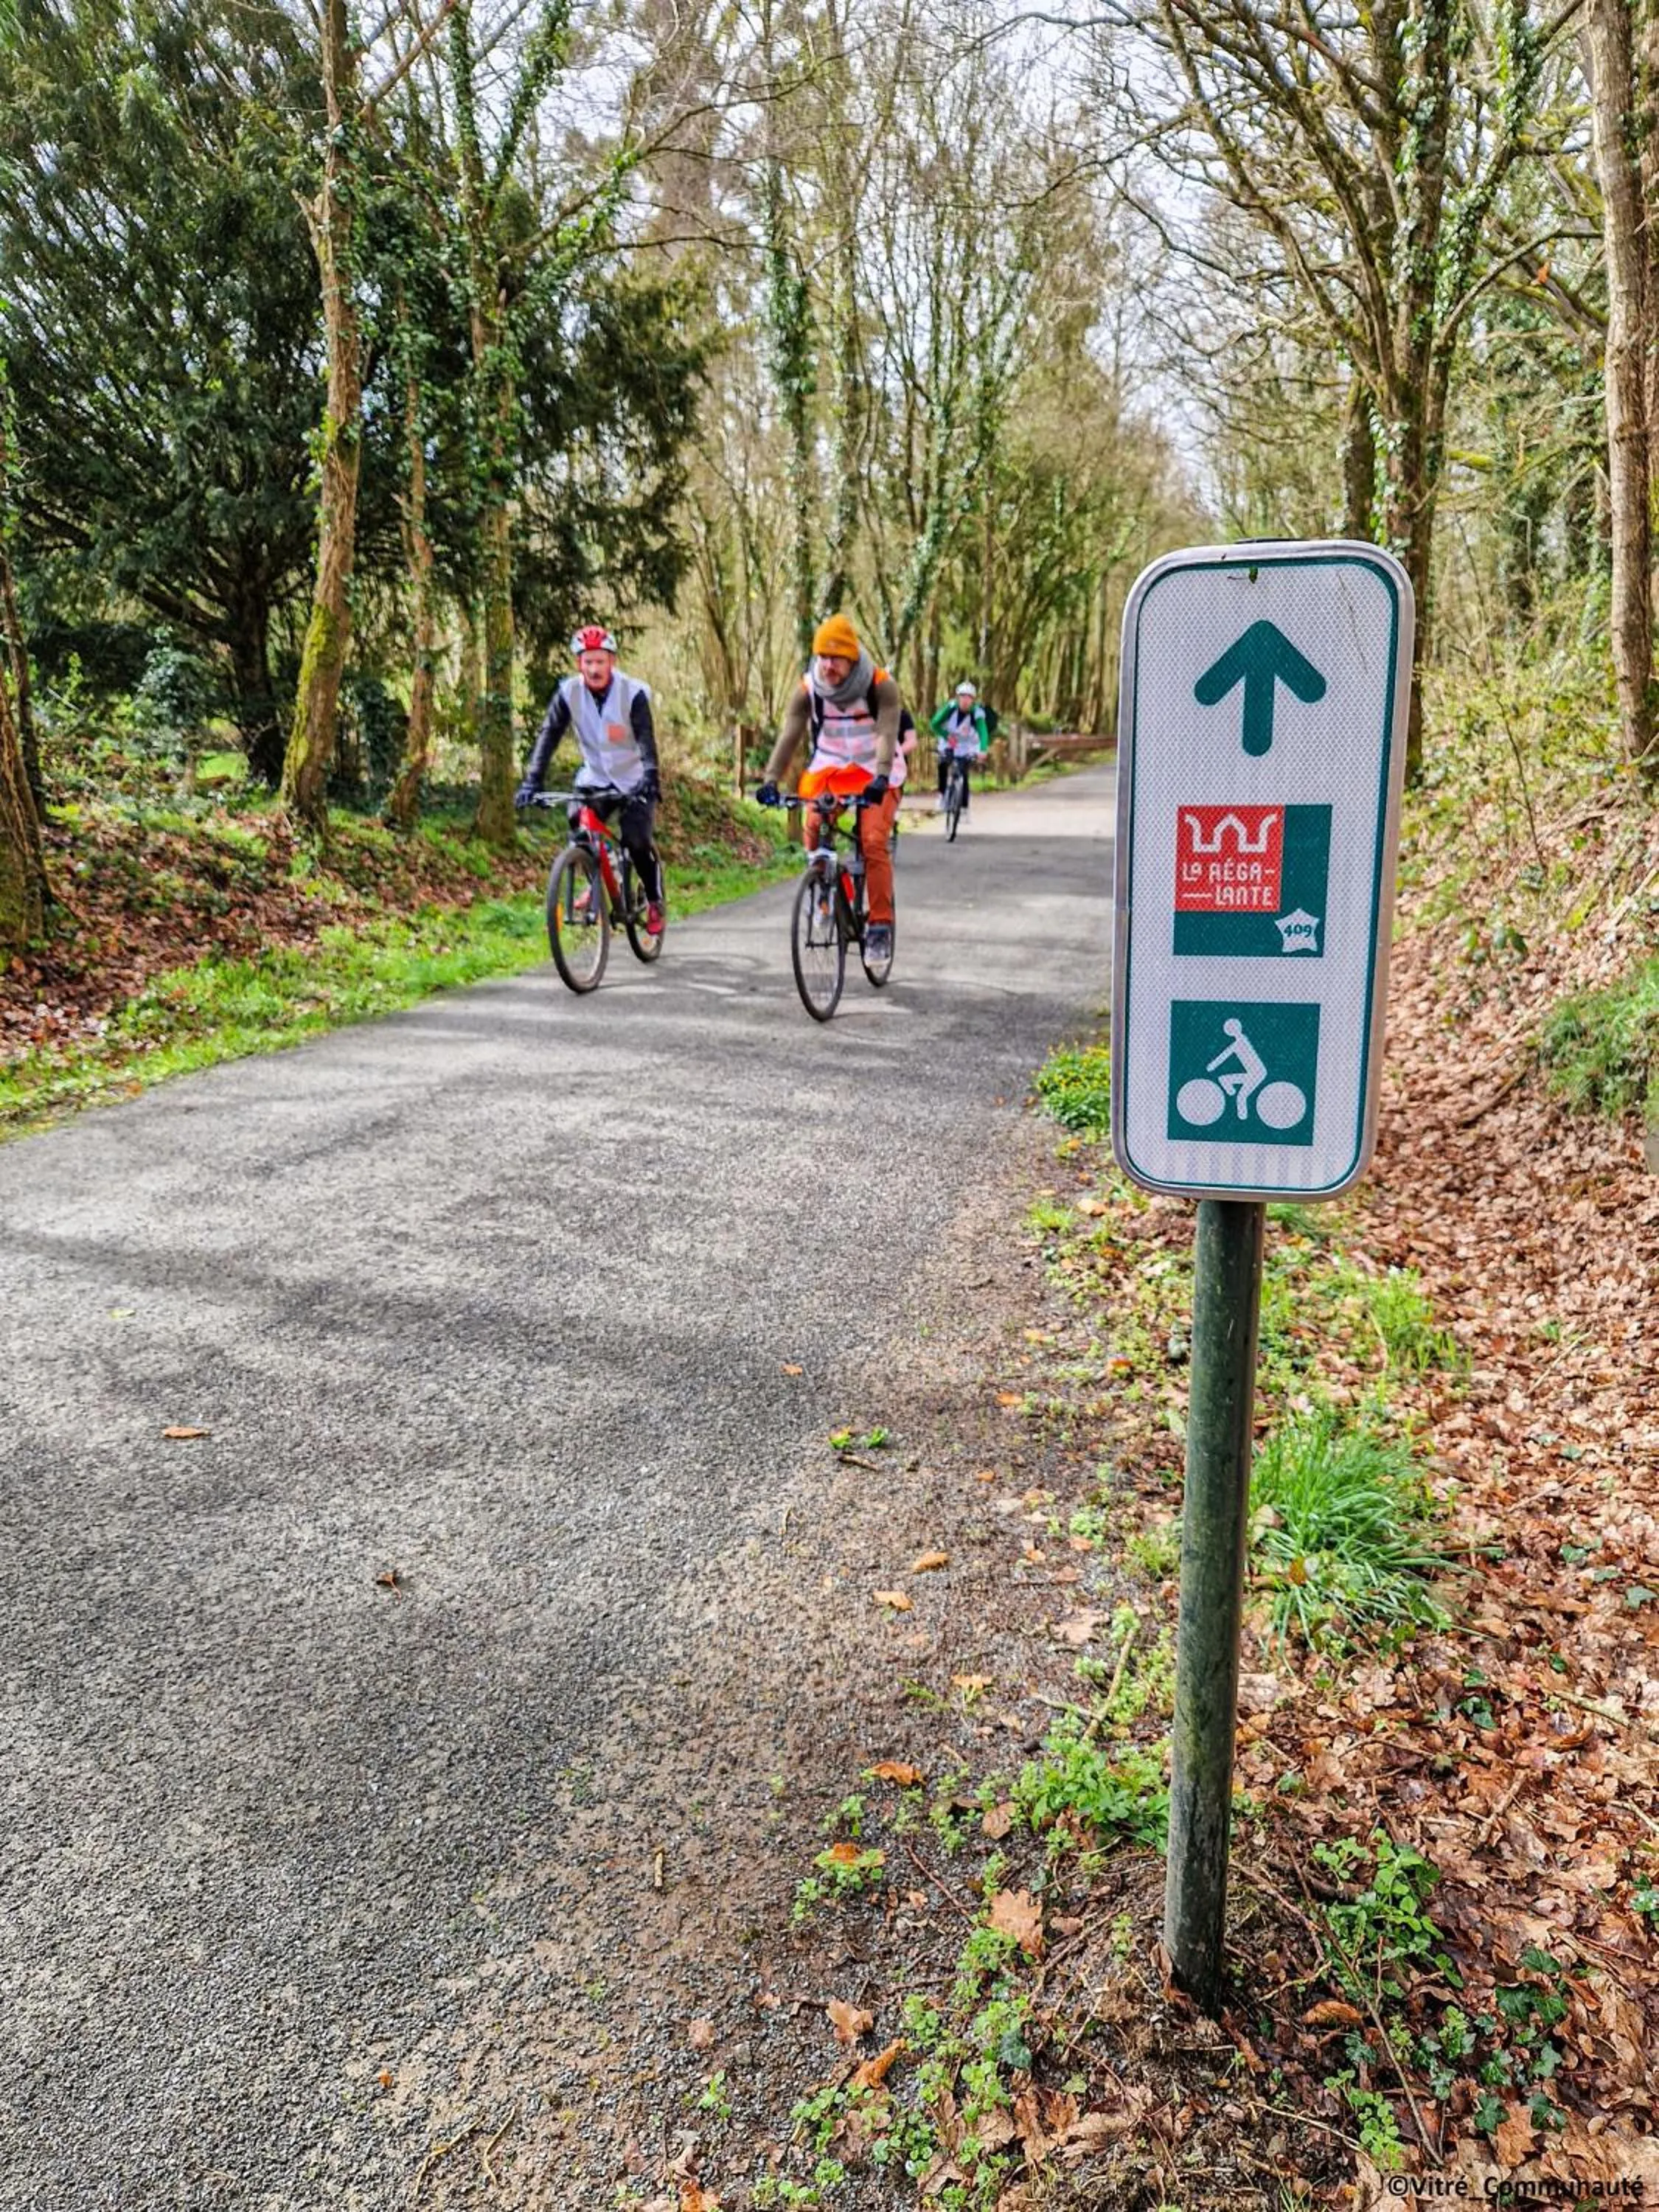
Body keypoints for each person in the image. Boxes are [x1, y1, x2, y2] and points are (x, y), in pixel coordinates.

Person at [754, 613, 902, 964]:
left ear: (852, 659)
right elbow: (790, 735)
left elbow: (886, 733)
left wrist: (881, 776)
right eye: (823, 657)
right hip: (831, 768)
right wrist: (770, 780)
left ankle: (880, 925)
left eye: (836, 658)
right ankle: (828, 896)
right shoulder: (808, 690)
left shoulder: (880, 685)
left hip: (876, 770)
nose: (828, 665)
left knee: (872, 841)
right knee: (814, 826)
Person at [514, 625, 664, 935]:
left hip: (636, 779)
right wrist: (532, 780)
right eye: (588, 662)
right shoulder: (569, 692)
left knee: (636, 842)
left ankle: (654, 899)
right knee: (578, 822)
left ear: (613, 661)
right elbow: (549, 735)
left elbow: (647, 740)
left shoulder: (632, 693)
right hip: (595, 777)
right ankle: (600, 877)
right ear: (578, 664)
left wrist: (651, 775)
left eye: (600, 661)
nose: (594, 669)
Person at [930, 681, 992, 815]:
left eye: (969, 698)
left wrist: (983, 749)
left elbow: (983, 732)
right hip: (950, 740)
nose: (965, 701)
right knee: (943, 763)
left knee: (963, 771)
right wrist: (946, 736)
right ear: (957, 698)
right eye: (962, 697)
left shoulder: (977, 713)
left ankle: (964, 807)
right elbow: (934, 724)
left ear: (973, 700)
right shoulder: (950, 708)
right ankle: (941, 795)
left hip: (968, 744)